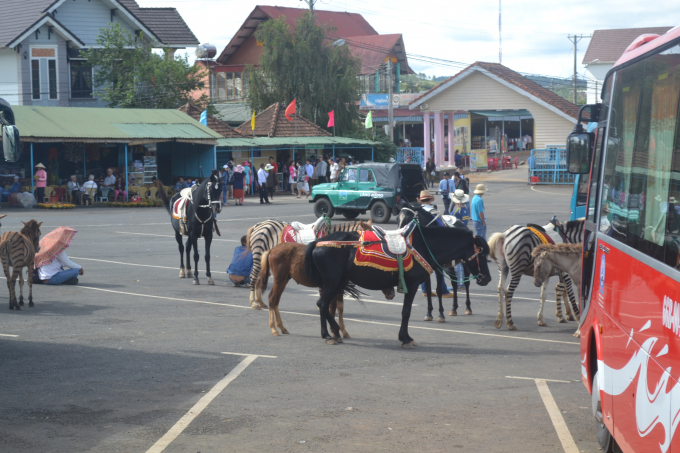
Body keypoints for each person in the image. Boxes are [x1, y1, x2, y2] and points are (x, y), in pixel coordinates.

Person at [416, 190, 452, 298]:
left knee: (424, 267)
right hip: (433, 244)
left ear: (421, 200)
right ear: (430, 200)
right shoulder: (433, 211)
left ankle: (425, 290)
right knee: (438, 268)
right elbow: (442, 227)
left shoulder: (417, 212)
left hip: (421, 244)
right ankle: (443, 290)